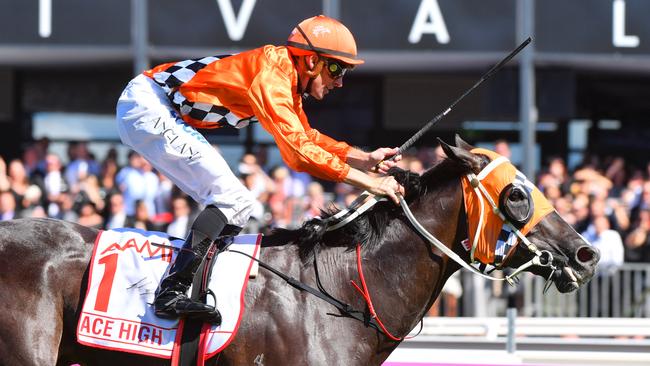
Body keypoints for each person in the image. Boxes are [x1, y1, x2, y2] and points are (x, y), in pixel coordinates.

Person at [115, 15, 404, 323]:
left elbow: (307, 136)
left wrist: (363, 159)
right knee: (233, 198)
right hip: (149, 105)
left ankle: (192, 288)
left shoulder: (286, 78)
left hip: (154, 107)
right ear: (309, 61)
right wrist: (370, 183)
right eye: (335, 68)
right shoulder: (272, 74)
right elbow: (298, 154)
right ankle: (171, 292)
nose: (340, 80)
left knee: (239, 205)